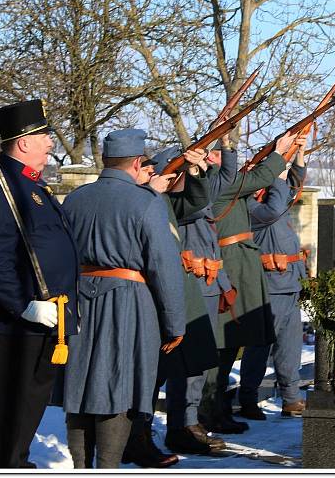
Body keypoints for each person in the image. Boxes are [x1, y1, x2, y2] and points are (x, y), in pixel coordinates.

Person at [61, 129, 186, 468]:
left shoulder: (75, 199)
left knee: (80, 385)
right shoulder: (146, 201)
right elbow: (163, 265)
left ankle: (81, 468)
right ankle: (108, 467)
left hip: (79, 302)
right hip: (128, 302)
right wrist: (175, 323)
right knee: (121, 386)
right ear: (136, 162)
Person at [0, 99, 79, 468]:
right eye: (44, 136)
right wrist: (23, 303)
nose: (51, 143)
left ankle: (15, 464)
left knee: (27, 412)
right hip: (17, 326)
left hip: (47, 322)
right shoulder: (0, 187)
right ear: (23, 142)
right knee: (11, 414)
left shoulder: (33, 187)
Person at [122, 145, 219, 466]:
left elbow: (194, 201)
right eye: (147, 170)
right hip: (144, 300)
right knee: (145, 378)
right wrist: (149, 191)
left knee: (159, 375)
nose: (154, 175)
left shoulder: (159, 200)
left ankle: (143, 437)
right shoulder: (137, 200)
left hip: (166, 301)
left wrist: (193, 173)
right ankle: (135, 440)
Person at [200, 130, 298, 433]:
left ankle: (217, 409)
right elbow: (256, 183)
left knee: (229, 345)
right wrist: (279, 153)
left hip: (238, 265)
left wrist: (230, 145)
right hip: (230, 265)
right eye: (214, 154)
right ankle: (209, 409)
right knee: (220, 346)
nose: (221, 160)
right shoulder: (215, 186)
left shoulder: (223, 184)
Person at [153, 139, 238, 455]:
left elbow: (213, 190)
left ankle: (187, 420)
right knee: (184, 364)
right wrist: (198, 170)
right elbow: (202, 200)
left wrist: (211, 160)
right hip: (187, 287)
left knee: (197, 364)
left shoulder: (191, 195)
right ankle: (181, 423)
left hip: (206, 283)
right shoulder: (171, 203)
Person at [238, 136, 308, 420]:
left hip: (290, 282)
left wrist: (298, 155)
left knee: (290, 345)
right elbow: (276, 206)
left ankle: (291, 398)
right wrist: (278, 169)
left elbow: (293, 186)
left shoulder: (273, 196)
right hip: (271, 283)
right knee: (260, 345)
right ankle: (248, 397)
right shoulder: (248, 205)